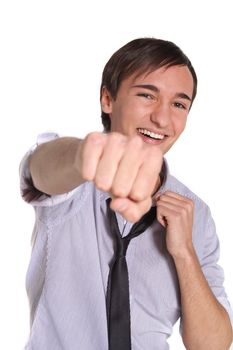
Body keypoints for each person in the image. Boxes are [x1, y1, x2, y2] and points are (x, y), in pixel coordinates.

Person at [20, 38, 233, 350]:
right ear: (108, 99)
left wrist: (184, 253)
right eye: (147, 95)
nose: (162, 119)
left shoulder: (195, 213)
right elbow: (39, 168)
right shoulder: (70, 178)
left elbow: (213, 344)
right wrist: (85, 156)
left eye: (178, 104)